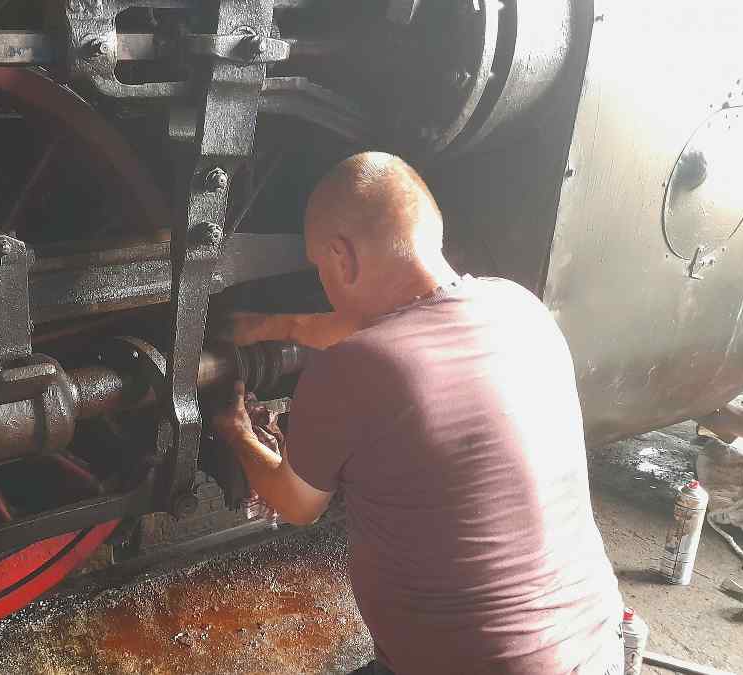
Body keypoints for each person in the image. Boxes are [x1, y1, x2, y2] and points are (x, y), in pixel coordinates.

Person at [212, 152, 625, 675]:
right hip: (597, 648)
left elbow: (296, 505)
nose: (323, 282)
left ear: (342, 257)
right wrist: (277, 326)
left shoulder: (354, 367)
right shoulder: (520, 308)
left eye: (320, 268)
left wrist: (235, 430)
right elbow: (396, 330)